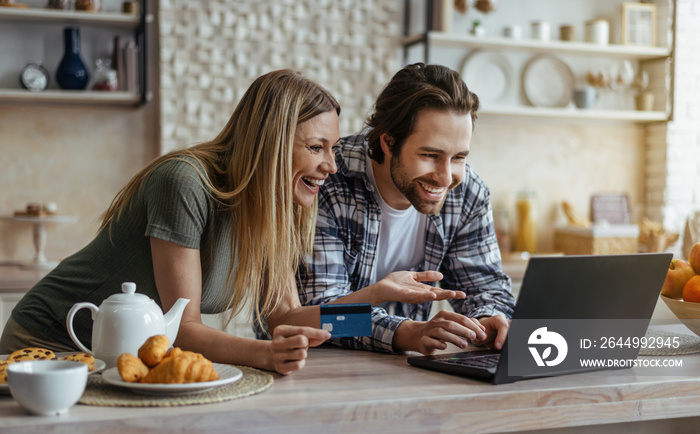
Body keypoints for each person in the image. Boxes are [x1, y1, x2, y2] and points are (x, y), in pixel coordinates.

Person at [0, 69, 340, 375]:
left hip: (121, 359)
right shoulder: (184, 182)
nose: (331, 165)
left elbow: (285, 317)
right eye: (316, 147)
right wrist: (267, 353)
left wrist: (373, 310)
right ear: (272, 144)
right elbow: (184, 329)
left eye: (333, 149)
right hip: (51, 342)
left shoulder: (274, 208)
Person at [297, 63, 515, 355]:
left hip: (405, 368)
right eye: (430, 155)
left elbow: (486, 288)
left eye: (459, 157)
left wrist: (490, 319)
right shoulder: (327, 179)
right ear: (388, 141)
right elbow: (322, 315)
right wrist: (407, 331)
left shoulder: (467, 193)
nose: (446, 177)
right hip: (314, 367)